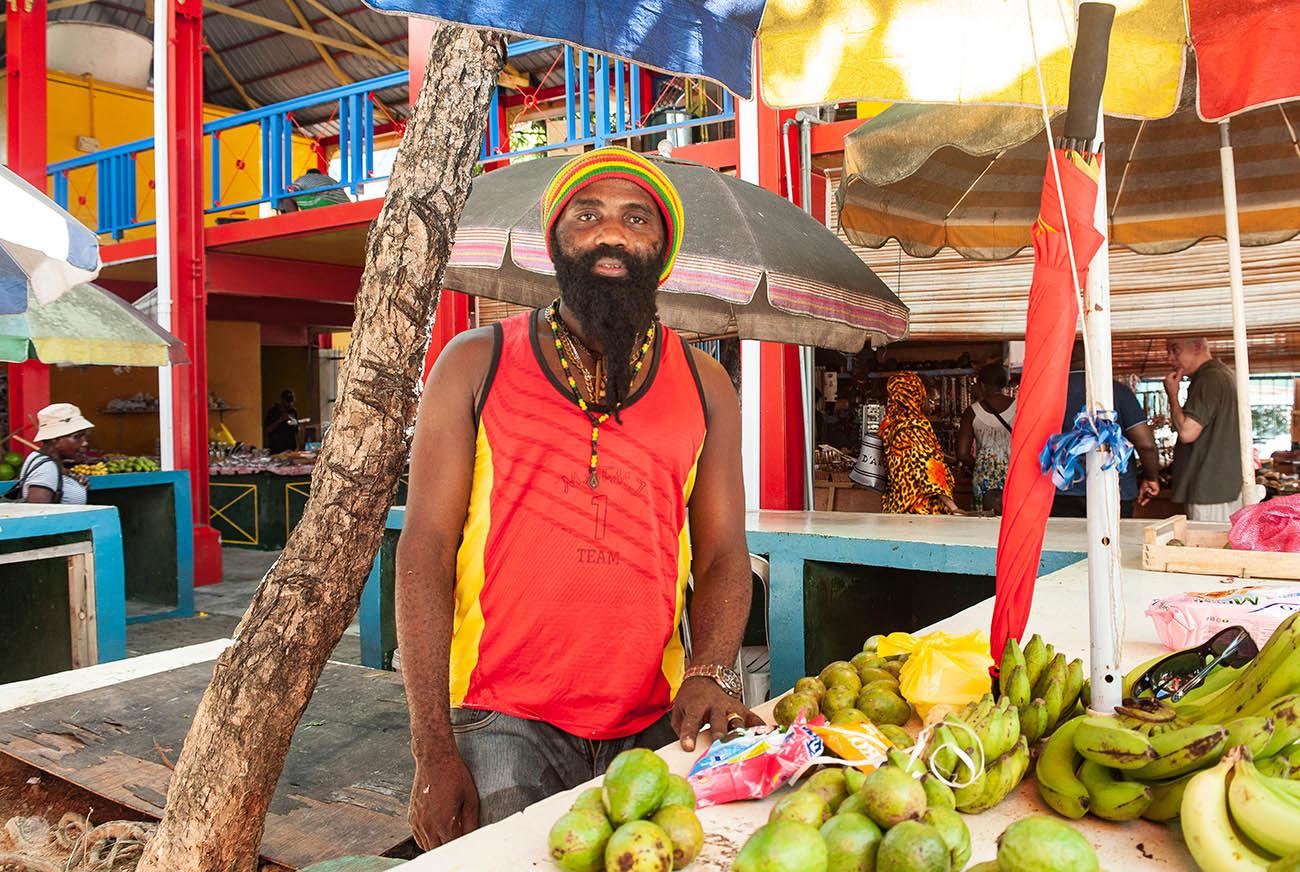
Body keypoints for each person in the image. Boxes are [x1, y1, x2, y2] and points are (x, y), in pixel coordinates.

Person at [398, 146, 760, 848]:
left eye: (636, 218)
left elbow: (722, 554)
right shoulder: (476, 361)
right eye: (588, 214)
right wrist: (432, 750)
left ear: (663, 248)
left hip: (657, 717)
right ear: (555, 240)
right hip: (501, 719)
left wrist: (711, 670)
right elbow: (425, 550)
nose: (612, 234)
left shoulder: (706, 385)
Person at [1052, 350, 1161, 518]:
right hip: (1114, 487)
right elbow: (1145, 444)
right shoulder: (1117, 391)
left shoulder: (1049, 394)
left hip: (1059, 489)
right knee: (1110, 542)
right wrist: (1152, 477)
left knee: (1065, 544)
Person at [1165, 337, 1243, 521]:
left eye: (1175, 350)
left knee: (1207, 545)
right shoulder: (1220, 374)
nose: (1170, 358)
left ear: (1198, 347)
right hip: (1218, 485)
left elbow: (1187, 432)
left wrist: (1172, 396)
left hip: (1210, 487)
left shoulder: (1210, 378)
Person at [881, 372, 961, 515]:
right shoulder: (914, 427)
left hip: (897, 505)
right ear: (918, 395)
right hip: (921, 509)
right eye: (931, 401)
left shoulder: (889, 425)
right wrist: (953, 507)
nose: (934, 406)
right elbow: (927, 468)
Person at [957, 363, 1016, 513]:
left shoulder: (972, 412)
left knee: (983, 521)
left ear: (982, 385)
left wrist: (978, 464)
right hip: (1013, 472)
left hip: (984, 474)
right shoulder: (1019, 407)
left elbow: (962, 454)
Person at [14, 403, 94, 504]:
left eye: (85, 437)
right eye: (77, 437)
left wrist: (74, 484)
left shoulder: (49, 462)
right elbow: (40, 513)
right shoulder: (46, 468)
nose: (85, 443)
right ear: (55, 439)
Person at [276, 168, 350, 213]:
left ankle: (292, 221)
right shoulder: (330, 179)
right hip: (345, 204)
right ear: (319, 174)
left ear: (308, 174)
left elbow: (292, 191)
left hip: (324, 201)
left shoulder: (304, 178)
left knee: (286, 196)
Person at [263, 390, 300, 454]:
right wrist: (280, 420)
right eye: (288, 402)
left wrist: (295, 423)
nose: (290, 404)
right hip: (277, 448)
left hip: (291, 447)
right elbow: (267, 430)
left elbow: (296, 430)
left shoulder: (293, 411)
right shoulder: (273, 411)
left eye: (291, 402)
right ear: (282, 400)